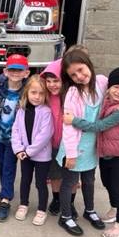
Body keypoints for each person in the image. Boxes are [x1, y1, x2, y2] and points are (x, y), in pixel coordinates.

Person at [56, 46, 119, 236]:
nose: (79, 76)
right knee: (70, 183)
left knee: (89, 180)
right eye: (73, 75)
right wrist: (71, 153)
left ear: (89, 65)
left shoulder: (102, 82)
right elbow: (68, 126)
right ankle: (66, 215)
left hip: (94, 146)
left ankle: (90, 210)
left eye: (81, 70)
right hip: (74, 147)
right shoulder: (73, 94)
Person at [0, 54, 30, 221]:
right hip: (0, 135)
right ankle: (5, 189)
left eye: (19, 71)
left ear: (26, 73)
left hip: (15, 140)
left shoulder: (27, 92)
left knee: (8, 167)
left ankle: (5, 200)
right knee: (1, 164)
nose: (15, 73)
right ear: (5, 71)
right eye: (12, 69)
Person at [11, 75, 53, 226]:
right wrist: (18, 149)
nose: (37, 96)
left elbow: (45, 135)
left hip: (41, 156)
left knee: (40, 183)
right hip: (24, 154)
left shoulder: (46, 112)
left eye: (41, 93)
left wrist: (29, 151)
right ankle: (23, 204)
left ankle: (42, 210)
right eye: (34, 92)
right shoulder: (21, 110)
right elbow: (15, 130)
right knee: (25, 180)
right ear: (27, 92)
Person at [40, 59, 78, 217]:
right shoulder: (46, 96)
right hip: (53, 143)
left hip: (71, 144)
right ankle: (56, 199)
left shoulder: (73, 95)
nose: (52, 85)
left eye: (56, 80)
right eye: (48, 81)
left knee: (72, 177)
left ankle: (70, 202)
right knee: (55, 175)